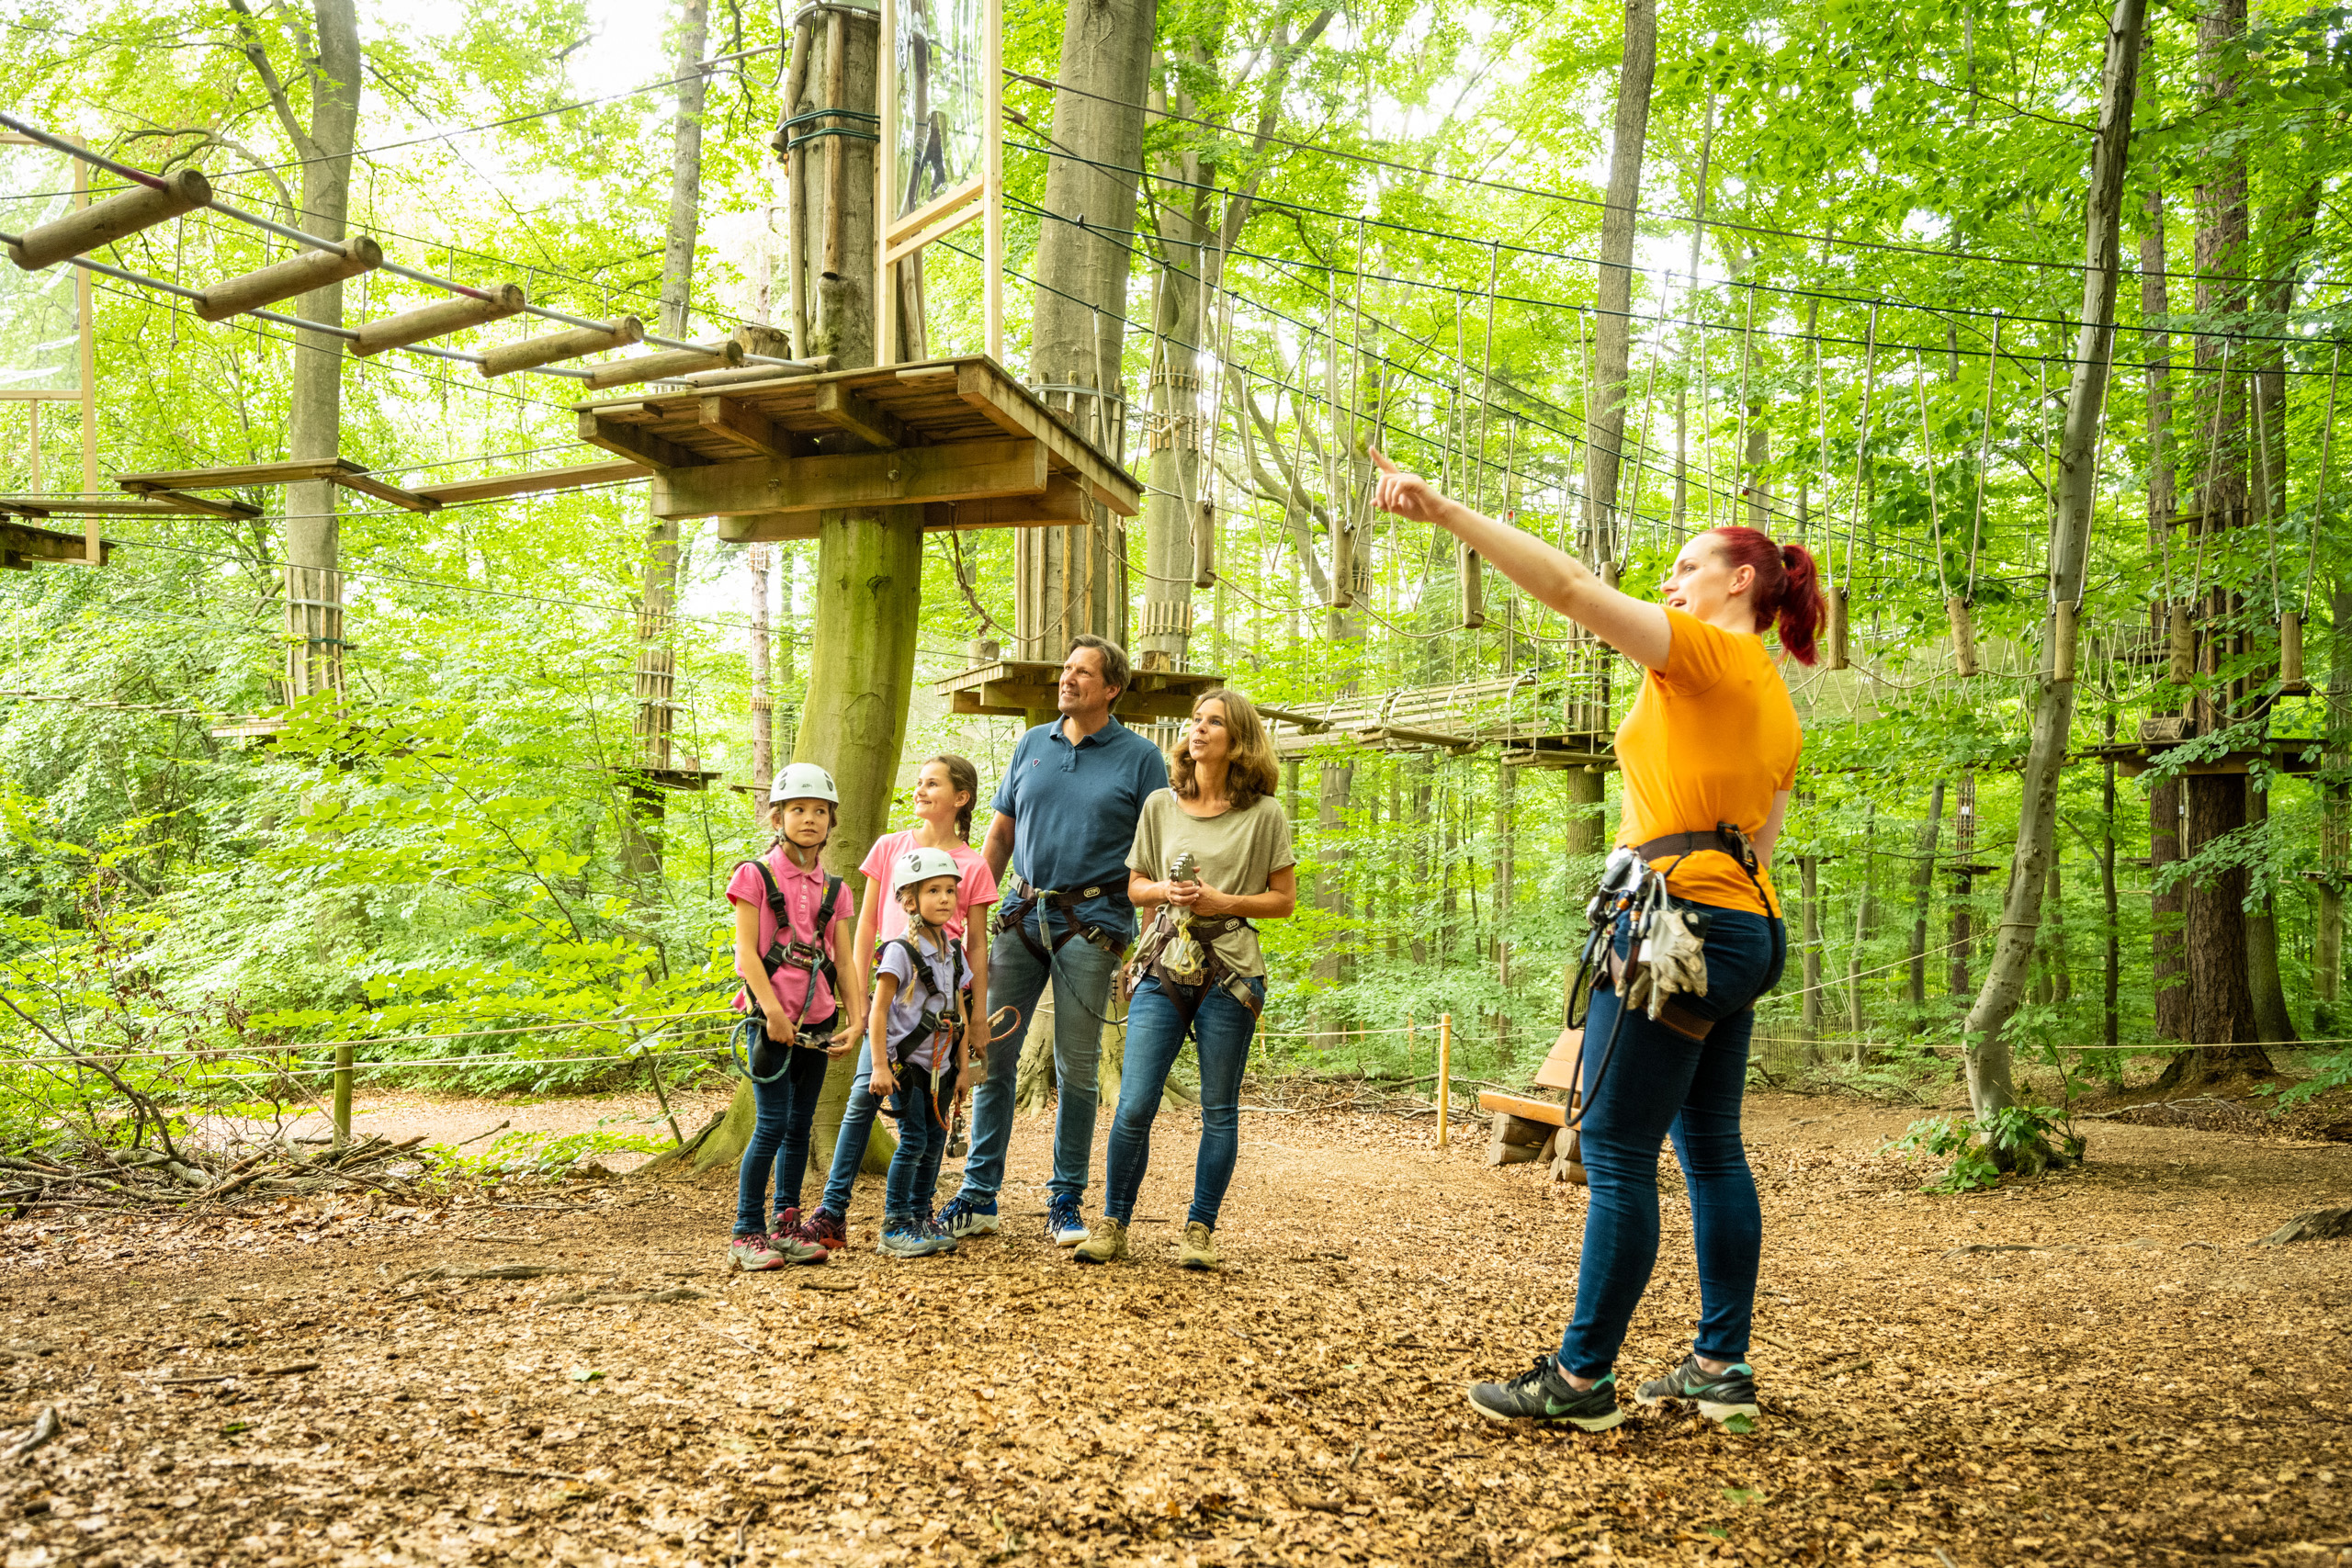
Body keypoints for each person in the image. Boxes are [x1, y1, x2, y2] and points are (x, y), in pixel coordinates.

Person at [1372, 448, 1817, 1433]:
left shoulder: (1706, 654)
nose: (1669, 580)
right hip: (1742, 926)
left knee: (1614, 1147)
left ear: (1739, 582)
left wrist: (1448, 509)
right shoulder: (1774, 699)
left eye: (1687, 566)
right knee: (1710, 1151)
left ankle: (1580, 1381)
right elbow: (1764, 842)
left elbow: (1572, 588)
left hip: (1677, 927)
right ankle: (1718, 1366)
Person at [938, 636, 1171, 1247]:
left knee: (1077, 1065)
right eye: (1066, 669)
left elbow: (1152, 857)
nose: (1067, 679)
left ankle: (1064, 1199)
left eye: (1082, 672)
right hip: (1019, 913)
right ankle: (978, 1193)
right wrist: (966, 912)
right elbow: (998, 838)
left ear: (1111, 687)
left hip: (1093, 924)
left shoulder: (1141, 758)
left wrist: (1145, 950)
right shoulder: (1031, 744)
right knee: (993, 1054)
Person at [1075, 690, 1295, 1270]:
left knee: (1219, 1107)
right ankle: (1113, 1223)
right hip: (1163, 961)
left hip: (1231, 969)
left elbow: (1283, 900)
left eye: (1214, 722)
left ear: (1238, 740)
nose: (1198, 730)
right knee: (1135, 1102)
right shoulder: (1160, 805)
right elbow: (1135, 886)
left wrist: (1224, 899)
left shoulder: (1264, 814)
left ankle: (1200, 1230)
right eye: (1196, 720)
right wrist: (1165, 894)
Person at [789, 755, 998, 1255]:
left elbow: (975, 946)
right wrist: (855, 997)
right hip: (891, 989)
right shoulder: (889, 848)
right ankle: (831, 1212)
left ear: (961, 798)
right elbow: (864, 926)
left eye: (932, 783)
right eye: (919, 782)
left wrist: (979, 1021)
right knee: (862, 1104)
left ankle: (914, 1212)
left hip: (944, 1003)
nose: (920, 790)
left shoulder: (972, 866)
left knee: (931, 1114)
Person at [723, 762, 865, 1271]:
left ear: (832, 821)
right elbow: (745, 953)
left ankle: (786, 1226)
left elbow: (844, 960)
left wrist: (858, 1017)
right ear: (777, 816)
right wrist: (770, 1011)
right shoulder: (754, 876)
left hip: (820, 1023)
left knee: (801, 1126)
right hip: (770, 1023)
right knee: (772, 1124)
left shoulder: (836, 889)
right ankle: (747, 1230)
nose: (809, 819)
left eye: (820, 811)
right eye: (798, 810)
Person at [865, 847, 974, 1258]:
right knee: (912, 1141)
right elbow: (879, 1011)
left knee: (935, 1139)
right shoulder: (899, 951)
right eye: (934, 891)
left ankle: (921, 1215)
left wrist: (964, 1069)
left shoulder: (954, 951)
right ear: (910, 900)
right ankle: (895, 1223)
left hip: (942, 1068)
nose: (945, 898)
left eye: (949, 890)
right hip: (907, 1068)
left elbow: (959, 1012)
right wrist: (879, 1065)